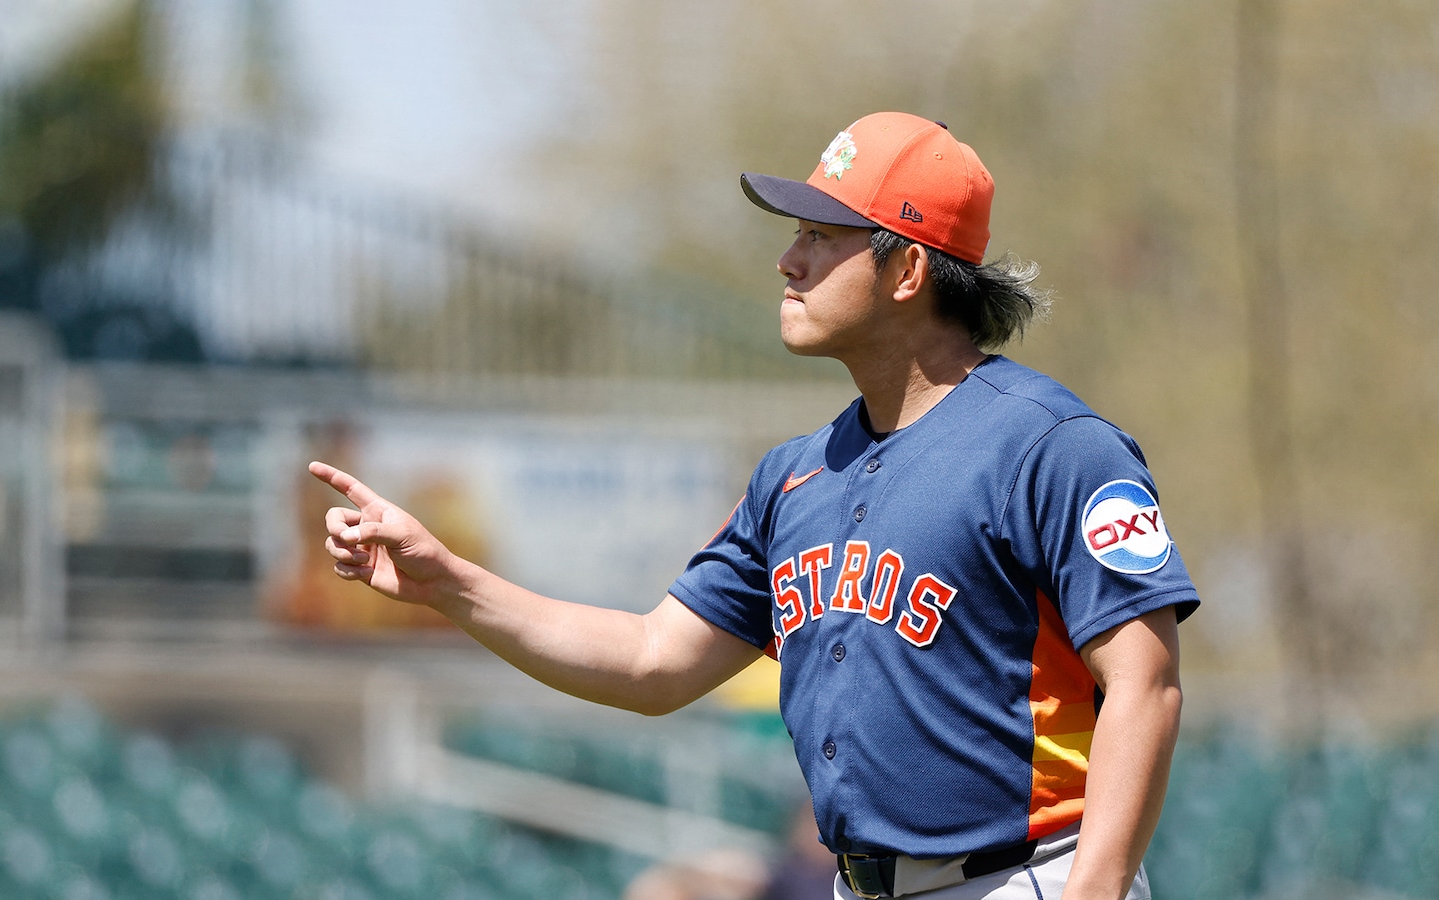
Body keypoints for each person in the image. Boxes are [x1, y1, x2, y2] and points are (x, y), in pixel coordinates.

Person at [311, 111, 1198, 900]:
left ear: (908, 271)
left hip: (1028, 876)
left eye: (821, 234)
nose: (789, 258)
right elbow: (654, 662)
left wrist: (1096, 891)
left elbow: (1145, 683)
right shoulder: (793, 478)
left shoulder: (1049, 446)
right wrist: (450, 584)